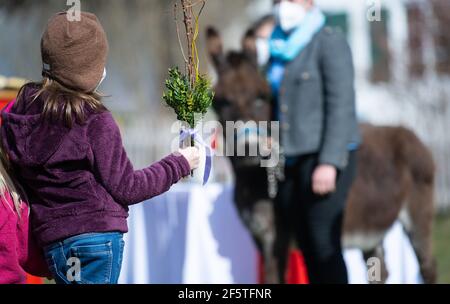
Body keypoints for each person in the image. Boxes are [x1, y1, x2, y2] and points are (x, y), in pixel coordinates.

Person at [0, 11, 200, 284]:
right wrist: (179, 163)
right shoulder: (94, 120)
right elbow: (128, 187)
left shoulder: (18, 116)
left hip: (54, 245)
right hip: (95, 242)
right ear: (92, 68)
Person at [265, 0, 361, 283]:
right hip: (290, 159)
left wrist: (329, 162)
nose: (284, 6)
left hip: (322, 157)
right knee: (305, 244)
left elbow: (341, 105)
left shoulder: (328, 42)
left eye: (291, 0)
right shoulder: (277, 46)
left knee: (323, 242)